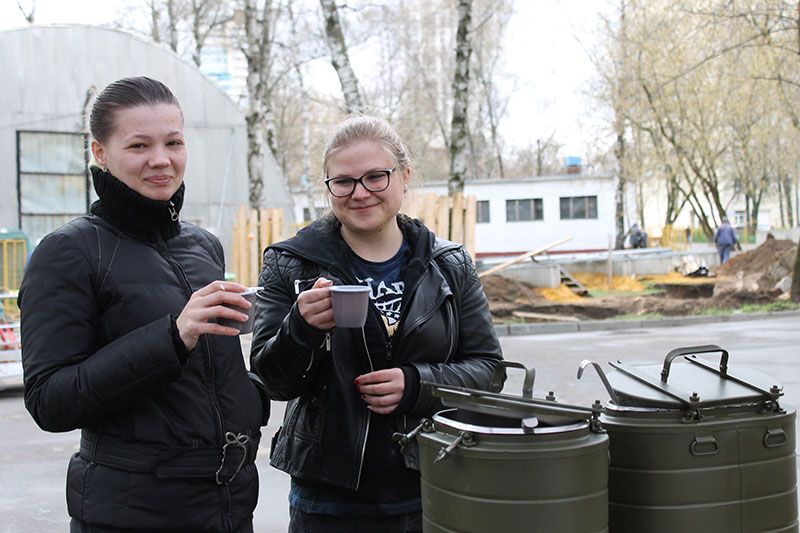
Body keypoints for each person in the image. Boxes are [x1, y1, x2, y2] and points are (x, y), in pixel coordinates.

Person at [19, 77, 268, 533]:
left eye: (173, 142)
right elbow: (49, 400)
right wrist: (173, 337)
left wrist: (250, 397)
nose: (161, 159)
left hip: (229, 507)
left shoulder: (203, 245)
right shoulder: (69, 252)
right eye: (139, 145)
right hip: (131, 513)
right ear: (100, 152)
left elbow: (208, 375)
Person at [249, 115, 503, 532]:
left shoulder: (449, 264)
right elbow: (273, 382)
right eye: (343, 182)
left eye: (375, 177)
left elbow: (489, 371)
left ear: (404, 176)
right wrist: (302, 327)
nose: (360, 193)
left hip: (432, 483)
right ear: (329, 187)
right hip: (328, 500)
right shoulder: (291, 263)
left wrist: (417, 384)